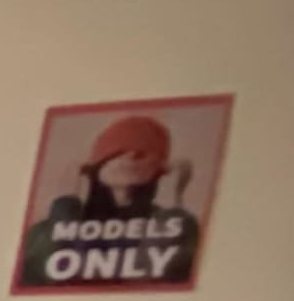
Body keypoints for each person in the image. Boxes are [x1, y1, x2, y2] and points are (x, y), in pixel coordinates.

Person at [15, 112, 205, 288]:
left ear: (162, 169)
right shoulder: (49, 228)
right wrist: (65, 201)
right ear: (95, 164)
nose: (130, 157)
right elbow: (49, 275)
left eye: (143, 153)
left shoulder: (179, 227)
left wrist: (172, 200)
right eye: (116, 151)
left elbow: (155, 277)